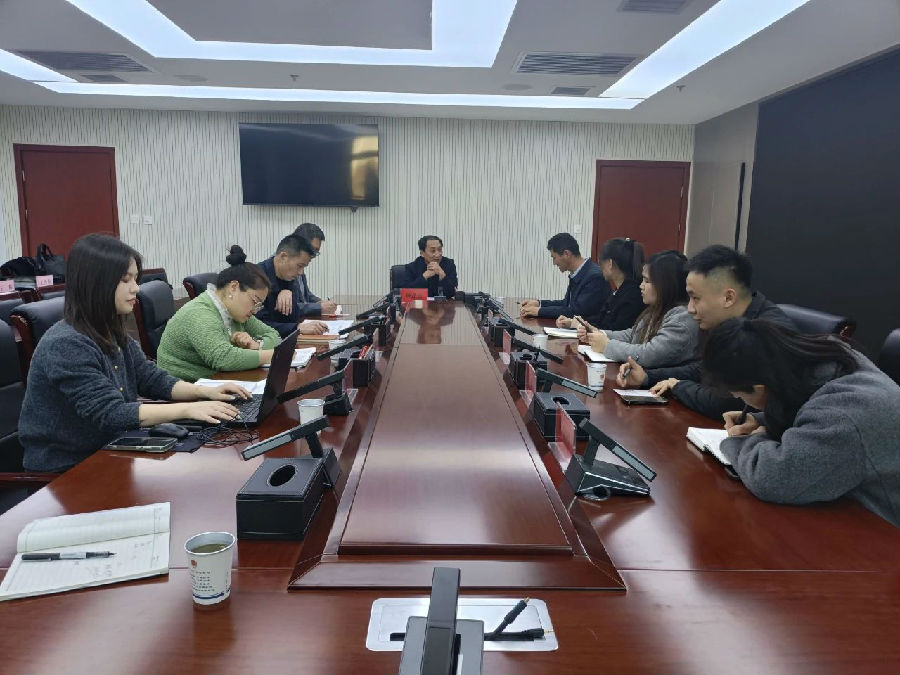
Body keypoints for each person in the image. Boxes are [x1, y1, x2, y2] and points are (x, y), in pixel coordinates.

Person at [18, 234, 248, 473]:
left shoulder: (109, 330)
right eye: (125, 280)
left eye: (135, 279)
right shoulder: (66, 343)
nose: (136, 288)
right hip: (66, 470)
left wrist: (204, 392)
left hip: (112, 448)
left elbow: (151, 378)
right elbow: (111, 414)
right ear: (96, 283)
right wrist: (188, 409)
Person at [705, 318, 900, 528]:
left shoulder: (843, 416)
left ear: (760, 387)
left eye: (739, 395)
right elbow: (805, 403)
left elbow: (771, 479)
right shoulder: (824, 356)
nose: (742, 402)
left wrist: (744, 439)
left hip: (883, 530)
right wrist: (761, 420)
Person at [615, 245, 795, 418]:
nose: (690, 309)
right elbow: (704, 368)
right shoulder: (728, 320)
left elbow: (726, 401)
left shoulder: (765, 333)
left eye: (696, 298)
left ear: (728, 297)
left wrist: (678, 386)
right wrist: (647, 377)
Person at [157, 245, 282, 382]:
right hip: (184, 388)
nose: (254, 310)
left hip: (218, 381)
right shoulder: (200, 313)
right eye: (254, 301)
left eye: (258, 306)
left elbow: (274, 336)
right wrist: (273, 355)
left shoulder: (236, 312)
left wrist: (256, 345)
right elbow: (223, 358)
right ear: (233, 287)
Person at [577, 250, 698, 367]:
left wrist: (606, 345)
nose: (641, 286)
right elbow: (633, 334)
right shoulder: (656, 309)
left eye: (647, 281)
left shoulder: (681, 319)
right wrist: (598, 333)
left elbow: (648, 354)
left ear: (666, 285)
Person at [556, 237, 645, 330]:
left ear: (610, 263)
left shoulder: (632, 295)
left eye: (600, 263)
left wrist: (580, 325)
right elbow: (601, 320)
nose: (599, 267)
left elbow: (613, 330)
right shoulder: (620, 291)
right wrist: (576, 322)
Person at [520, 233, 610, 321]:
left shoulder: (594, 277)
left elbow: (576, 312)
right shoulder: (580, 272)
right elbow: (566, 304)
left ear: (566, 254)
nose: (554, 263)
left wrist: (539, 311)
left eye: (554, 258)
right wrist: (539, 303)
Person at [255, 234, 330, 338]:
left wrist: (287, 290)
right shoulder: (257, 278)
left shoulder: (289, 278)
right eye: (299, 266)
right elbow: (257, 326)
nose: (300, 272)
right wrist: (297, 328)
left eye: (304, 267)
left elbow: (293, 316)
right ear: (283, 257)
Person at [291, 222, 338, 316]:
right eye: (313, 250)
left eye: (316, 252)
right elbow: (290, 307)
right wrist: (319, 307)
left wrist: (321, 302)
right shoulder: (284, 266)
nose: (313, 256)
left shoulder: (300, 263)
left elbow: (305, 295)